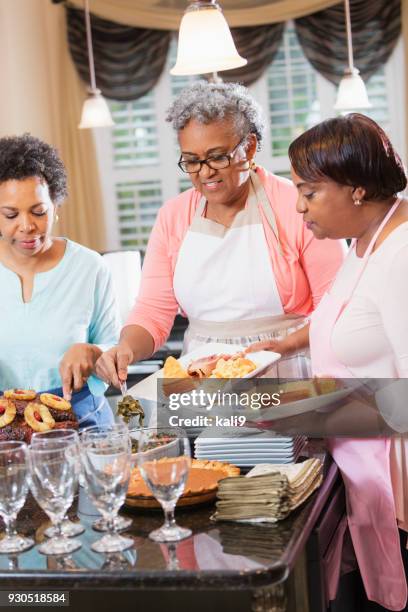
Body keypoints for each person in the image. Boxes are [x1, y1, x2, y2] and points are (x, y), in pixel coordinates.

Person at [249, 113, 408, 611]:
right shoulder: (364, 241)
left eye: (309, 192)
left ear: (357, 189)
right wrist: (278, 349)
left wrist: (297, 410)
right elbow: (345, 320)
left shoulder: (402, 254)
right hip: (362, 456)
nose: (298, 206)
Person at [95, 81, 345, 387]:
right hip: (204, 381)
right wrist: (125, 350)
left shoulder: (298, 205)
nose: (205, 172)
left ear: (249, 147)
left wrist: (286, 346)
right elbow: (152, 312)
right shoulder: (173, 217)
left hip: (289, 373)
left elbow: (337, 308)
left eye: (217, 157)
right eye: (191, 161)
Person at [0, 134, 120, 427]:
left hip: (81, 417)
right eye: (10, 214)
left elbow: (116, 350)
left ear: (56, 207)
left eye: (39, 212)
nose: (27, 226)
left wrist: (94, 353)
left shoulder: (90, 267)